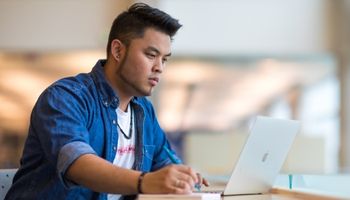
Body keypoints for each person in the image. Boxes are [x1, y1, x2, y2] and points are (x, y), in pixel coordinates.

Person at [5, 3, 208, 200]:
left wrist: (185, 179)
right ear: (118, 51)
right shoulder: (66, 97)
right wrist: (145, 181)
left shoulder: (144, 112)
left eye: (164, 59)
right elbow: (77, 163)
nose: (159, 67)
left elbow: (167, 163)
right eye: (151, 55)